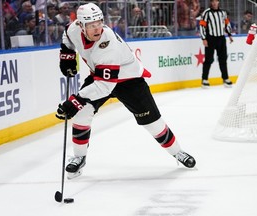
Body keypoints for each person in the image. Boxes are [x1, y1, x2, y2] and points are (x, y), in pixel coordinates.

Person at [55, 2, 196, 179]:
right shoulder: (74, 29)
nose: (97, 28)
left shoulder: (107, 42)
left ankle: (178, 152)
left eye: (99, 22)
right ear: (81, 25)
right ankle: (79, 157)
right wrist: (67, 56)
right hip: (100, 75)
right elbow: (67, 36)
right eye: (92, 25)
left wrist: (75, 101)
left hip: (129, 80)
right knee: (82, 114)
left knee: (152, 123)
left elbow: (106, 86)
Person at [199, 0, 233, 88]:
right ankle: (204, 79)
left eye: (216, 1)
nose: (214, 3)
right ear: (211, 2)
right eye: (213, 2)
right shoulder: (207, 13)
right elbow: (202, 25)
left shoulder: (223, 12)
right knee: (209, 59)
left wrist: (229, 35)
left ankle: (225, 78)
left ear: (218, 2)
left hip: (221, 38)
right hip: (210, 38)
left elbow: (227, 24)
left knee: (223, 59)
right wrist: (204, 38)